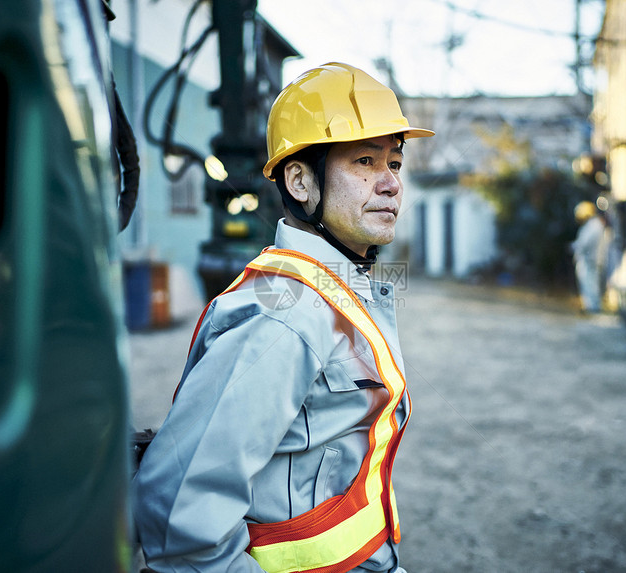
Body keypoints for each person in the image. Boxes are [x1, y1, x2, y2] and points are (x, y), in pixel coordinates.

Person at [132, 62, 434, 572]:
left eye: (395, 163)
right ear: (299, 180)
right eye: (364, 160)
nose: (389, 184)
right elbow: (181, 522)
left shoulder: (339, 290)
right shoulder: (281, 318)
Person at [571, 201, 608, 313]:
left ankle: (593, 307)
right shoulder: (593, 225)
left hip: (590, 260)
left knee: (590, 284)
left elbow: (584, 243)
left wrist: (575, 246)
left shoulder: (593, 225)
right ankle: (591, 306)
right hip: (591, 260)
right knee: (589, 283)